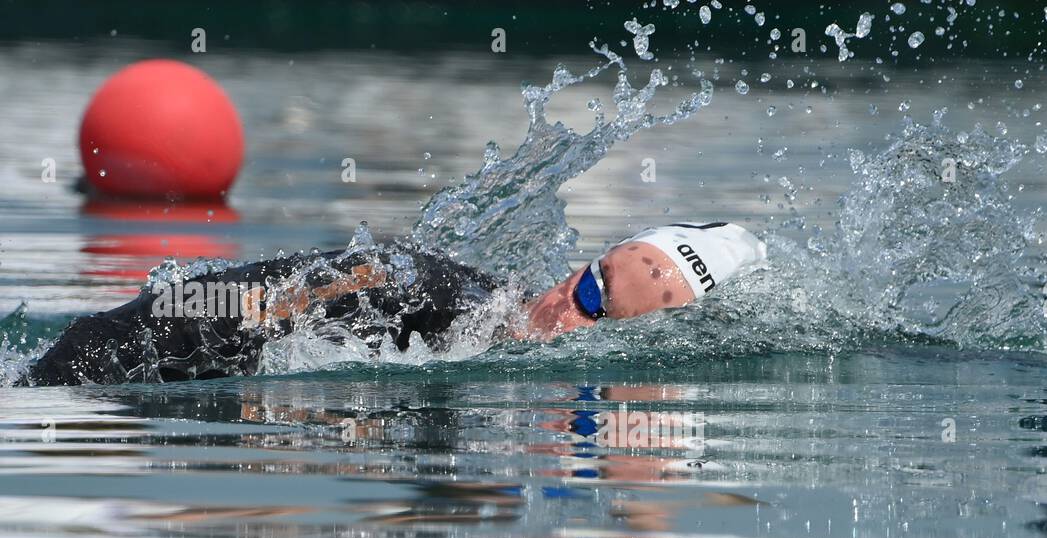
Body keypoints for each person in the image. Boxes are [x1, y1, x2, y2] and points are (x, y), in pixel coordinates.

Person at [19, 221, 765, 386]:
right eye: (589, 290)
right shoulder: (414, 287)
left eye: (606, 320)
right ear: (575, 274)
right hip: (99, 369)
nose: (574, 317)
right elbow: (216, 305)